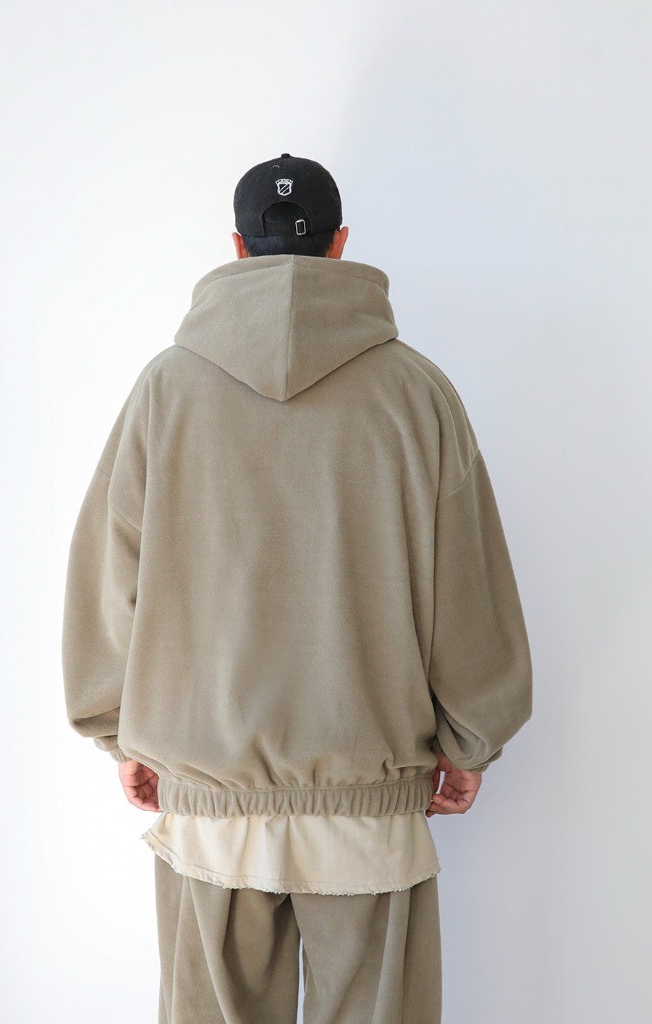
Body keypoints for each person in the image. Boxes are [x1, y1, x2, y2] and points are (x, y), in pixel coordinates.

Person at [62, 152, 533, 1024]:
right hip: (367, 804)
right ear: (340, 243)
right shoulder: (415, 392)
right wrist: (469, 741)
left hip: (210, 800)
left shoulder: (167, 390)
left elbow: (109, 574)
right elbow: (465, 584)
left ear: (237, 246)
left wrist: (118, 729)